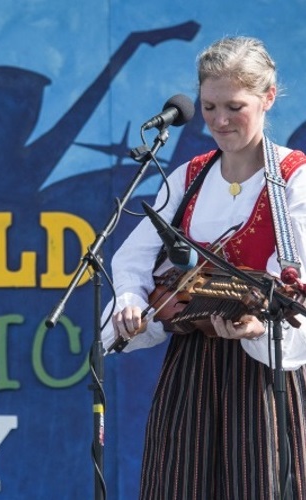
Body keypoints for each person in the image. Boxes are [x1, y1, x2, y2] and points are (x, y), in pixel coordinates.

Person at [103, 36, 306, 498]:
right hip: (191, 368)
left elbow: (294, 276)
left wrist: (256, 324)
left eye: (234, 106)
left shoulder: (295, 179)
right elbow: (132, 258)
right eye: (209, 105)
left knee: (261, 484)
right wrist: (132, 301)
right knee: (178, 485)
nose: (219, 120)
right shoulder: (188, 177)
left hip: (262, 375)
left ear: (268, 97)